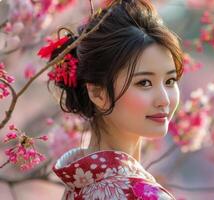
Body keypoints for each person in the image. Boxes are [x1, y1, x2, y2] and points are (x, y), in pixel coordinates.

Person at [47, 0, 183, 199]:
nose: (164, 99)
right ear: (98, 93)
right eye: (144, 83)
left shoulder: (78, 186)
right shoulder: (143, 195)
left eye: (170, 80)